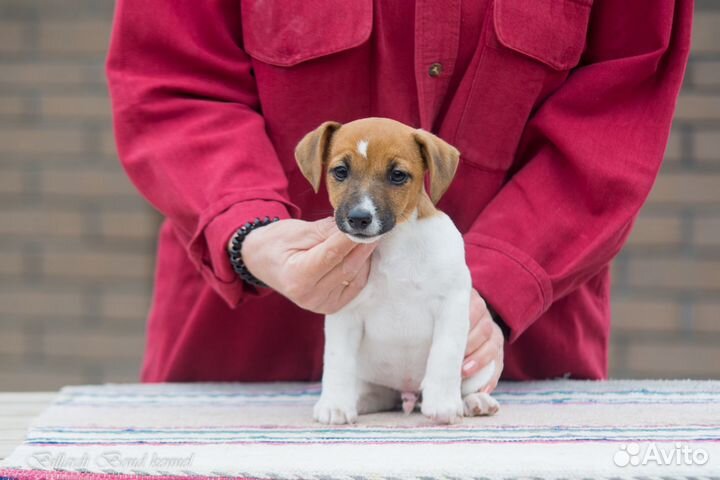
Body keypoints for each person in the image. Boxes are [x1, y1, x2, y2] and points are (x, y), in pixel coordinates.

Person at [106, 0, 692, 388]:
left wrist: (487, 284)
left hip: (499, 361)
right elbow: (172, 80)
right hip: (251, 350)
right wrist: (250, 233)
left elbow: (618, 110)